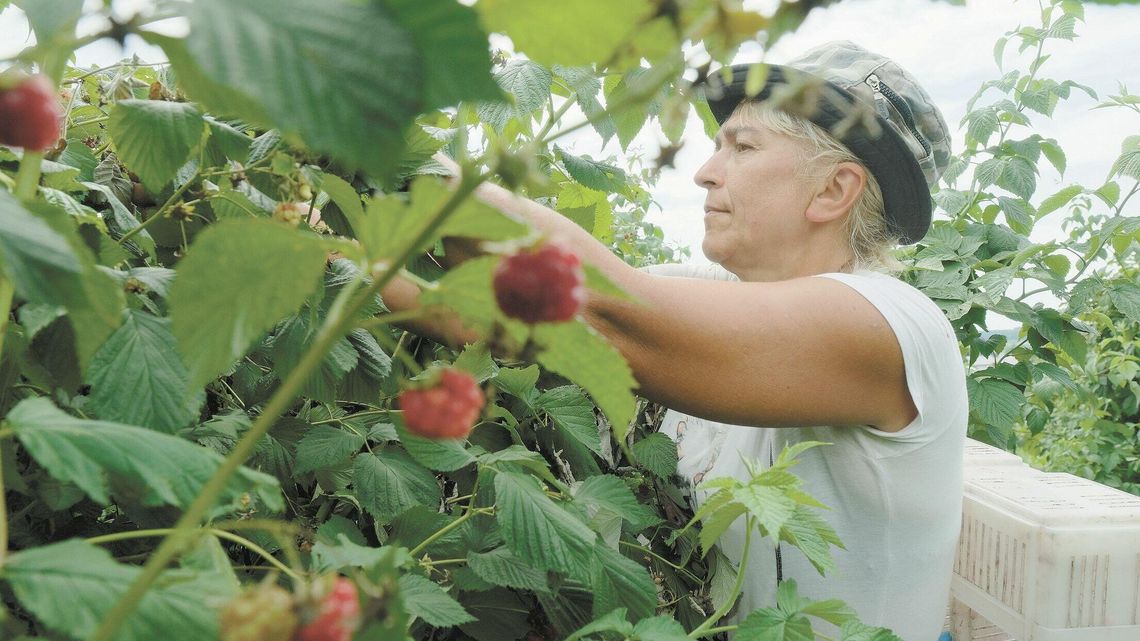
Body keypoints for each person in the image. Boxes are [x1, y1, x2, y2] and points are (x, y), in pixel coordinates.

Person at [382, 40, 968, 641]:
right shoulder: (729, 291)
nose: (705, 171)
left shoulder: (893, 322)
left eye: (742, 147)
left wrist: (398, 153)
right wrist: (340, 257)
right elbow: (498, 316)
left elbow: (612, 310)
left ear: (832, 191)